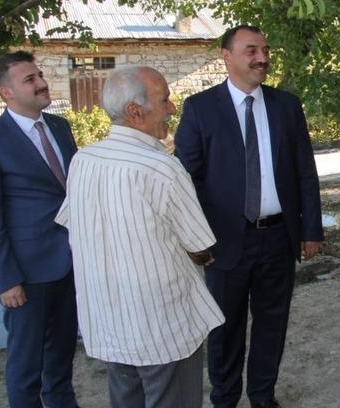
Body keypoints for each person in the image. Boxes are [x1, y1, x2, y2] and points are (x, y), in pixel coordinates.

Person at [55, 66, 225, 408]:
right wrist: (205, 258)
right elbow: (199, 246)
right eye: (165, 100)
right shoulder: (163, 168)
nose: (173, 108)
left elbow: (75, 223)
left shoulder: (83, 161)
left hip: (110, 318)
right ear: (135, 111)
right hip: (162, 325)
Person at [174, 25, 323, 408]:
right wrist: (194, 238)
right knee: (225, 329)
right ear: (226, 56)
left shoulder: (286, 106)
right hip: (224, 241)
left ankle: (262, 396)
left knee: (272, 324)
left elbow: (305, 172)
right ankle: (224, 400)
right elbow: (185, 179)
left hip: (278, 237)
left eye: (265, 50)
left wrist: (311, 229)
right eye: (251, 50)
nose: (262, 58)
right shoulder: (201, 108)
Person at [0, 51, 79, 407]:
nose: (42, 83)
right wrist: (6, 280)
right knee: (26, 367)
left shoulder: (60, 127)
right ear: (7, 92)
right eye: (30, 79)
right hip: (26, 274)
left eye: (40, 75)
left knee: (61, 359)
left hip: (71, 264)